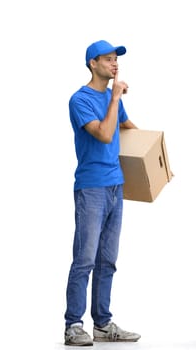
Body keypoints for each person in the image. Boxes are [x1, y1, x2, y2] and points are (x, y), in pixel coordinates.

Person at [64, 39, 141, 346]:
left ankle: (103, 324)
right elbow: (106, 133)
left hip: (115, 186)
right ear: (92, 64)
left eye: (115, 59)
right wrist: (115, 98)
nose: (114, 63)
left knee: (108, 259)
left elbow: (127, 129)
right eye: (107, 59)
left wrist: (156, 158)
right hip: (91, 187)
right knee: (85, 259)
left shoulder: (113, 98)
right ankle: (73, 326)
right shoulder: (79, 100)